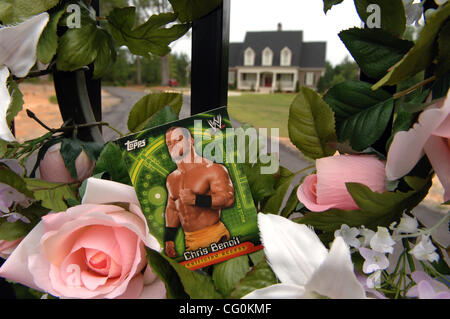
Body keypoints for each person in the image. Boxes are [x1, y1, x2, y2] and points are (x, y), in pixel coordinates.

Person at [164, 126, 234, 258]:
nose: (173, 146)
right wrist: (169, 239)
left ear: (191, 140)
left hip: (216, 236)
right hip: (190, 241)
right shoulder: (171, 178)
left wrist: (197, 200)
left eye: (177, 140)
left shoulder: (212, 169)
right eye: (169, 143)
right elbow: (172, 208)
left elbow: (228, 198)